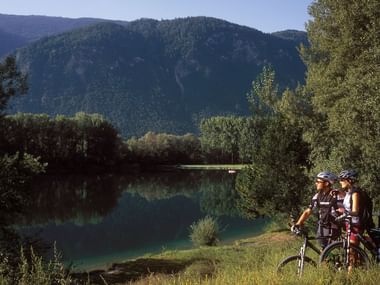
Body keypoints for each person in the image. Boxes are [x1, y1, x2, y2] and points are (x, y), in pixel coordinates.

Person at [292, 171, 342, 249]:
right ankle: (326, 260)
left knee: (330, 250)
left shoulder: (335, 194)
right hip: (321, 226)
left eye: (318, 181)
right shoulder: (317, 196)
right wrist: (298, 223)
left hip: (333, 227)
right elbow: (308, 211)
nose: (316, 183)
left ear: (326, 183)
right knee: (323, 250)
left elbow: (346, 205)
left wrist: (340, 193)